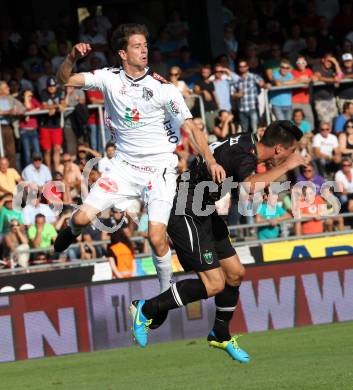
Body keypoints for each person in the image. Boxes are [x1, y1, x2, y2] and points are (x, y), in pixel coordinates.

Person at [54, 24, 225, 301]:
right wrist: (71, 57)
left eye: (145, 45)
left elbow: (192, 127)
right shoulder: (108, 78)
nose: (144, 50)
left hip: (160, 170)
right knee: (82, 217)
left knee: (156, 237)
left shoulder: (163, 88)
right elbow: (64, 80)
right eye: (137, 46)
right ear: (123, 53)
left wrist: (210, 158)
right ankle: (72, 230)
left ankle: (163, 296)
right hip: (124, 167)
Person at [130, 120, 305, 361]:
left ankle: (220, 333)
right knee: (214, 284)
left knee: (235, 273)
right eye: (290, 151)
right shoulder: (246, 155)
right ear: (278, 150)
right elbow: (248, 185)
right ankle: (145, 308)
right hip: (184, 210)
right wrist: (287, 166)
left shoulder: (245, 139)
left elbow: (237, 174)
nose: (291, 155)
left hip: (204, 209)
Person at [39, 76, 65, 171]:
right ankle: (49, 170)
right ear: (47, 86)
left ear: (56, 86)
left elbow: (63, 104)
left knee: (57, 148)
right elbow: (45, 105)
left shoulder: (60, 91)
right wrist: (56, 106)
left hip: (56, 125)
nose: (51, 88)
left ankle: (57, 169)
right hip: (45, 125)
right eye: (49, 86)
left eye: (53, 86)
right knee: (47, 150)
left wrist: (56, 107)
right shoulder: (43, 93)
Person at [233, 59, 265, 133]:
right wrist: (237, 95)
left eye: (244, 66)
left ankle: (255, 144)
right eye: (240, 66)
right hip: (242, 109)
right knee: (245, 131)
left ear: (247, 67)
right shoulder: (237, 79)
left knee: (255, 130)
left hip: (252, 107)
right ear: (238, 68)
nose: (242, 68)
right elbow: (233, 94)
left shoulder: (254, 76)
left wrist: (264, 84)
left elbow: (262, 83)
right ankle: (248, 144)